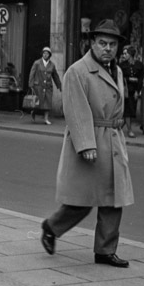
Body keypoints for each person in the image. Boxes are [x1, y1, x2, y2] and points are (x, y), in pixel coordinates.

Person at [40, 19, 133, 269]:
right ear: (91, 43)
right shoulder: (78, 71)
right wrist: (85, 144)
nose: (107, 48)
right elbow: (76, 109)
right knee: (81, 200)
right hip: (90, 140)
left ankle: (105, 250)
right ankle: (51, 227)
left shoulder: (118, 70)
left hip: (112, 139)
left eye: (112, 44)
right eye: (102, 43)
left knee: (114, 199)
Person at [28, 46, 61, 125]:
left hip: (48, 87)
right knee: (37, 103)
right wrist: (31, 84)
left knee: (48, 103)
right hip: (38, 86)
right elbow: (32, 73)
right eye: (44, 53)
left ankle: (46, 119)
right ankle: (33, 113)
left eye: (47, 53)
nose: (45, 55)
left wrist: (59, 85)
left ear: (49, 55)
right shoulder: (37, 63)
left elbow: (55, 75)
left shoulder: (52, 65)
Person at [118, 45, 143, 138]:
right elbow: (120, 77)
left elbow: (140, 78)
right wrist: (130, 79)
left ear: (131, 54)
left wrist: (138, 91)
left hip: (134, 90)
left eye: (126, 53)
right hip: (126, 90)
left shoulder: (139, 65)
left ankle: (119, 128)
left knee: (132, 110)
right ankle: (129, 130)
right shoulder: (122, 65)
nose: (124, 55)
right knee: (128, 110)